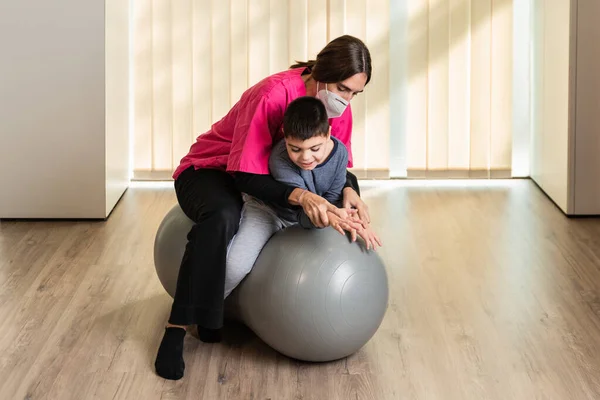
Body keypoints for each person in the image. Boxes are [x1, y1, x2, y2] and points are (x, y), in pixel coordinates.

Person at [154, 35, 373, 381]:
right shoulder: (272, 94)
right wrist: (302, 198)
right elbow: (245, 176)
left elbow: (336, 164)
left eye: (355, 94)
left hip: (269, 183)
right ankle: (175, 327)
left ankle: (213, 315)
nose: (347, 101)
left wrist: (351, 191)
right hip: (212, 170)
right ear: (322, 73)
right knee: (223, 216)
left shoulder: (336, 110)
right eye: (344, 89)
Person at [224, 96, 382, 298]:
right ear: (285, 137)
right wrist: (330, 217)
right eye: (295, 149)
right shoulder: (279, 159)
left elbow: (332, 199)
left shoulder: (340, 153)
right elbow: (300, 212)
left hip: (307, 212)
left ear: (328, 134)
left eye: (315, 149)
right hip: (272, 211)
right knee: (235, 265)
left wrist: (349, 218)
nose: (305, 158)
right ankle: (211, 311)